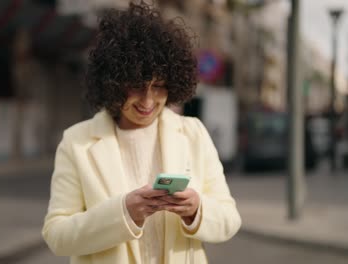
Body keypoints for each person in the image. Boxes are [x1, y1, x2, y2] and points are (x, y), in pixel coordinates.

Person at [42, 2, 241, 263]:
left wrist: (196, 210)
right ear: (113, 82)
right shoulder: (76, 142)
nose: (148, 100)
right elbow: (57, 235)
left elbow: (229, 219)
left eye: (158, 85)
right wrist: (123, 213)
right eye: (136, 85)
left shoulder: (193, 133)